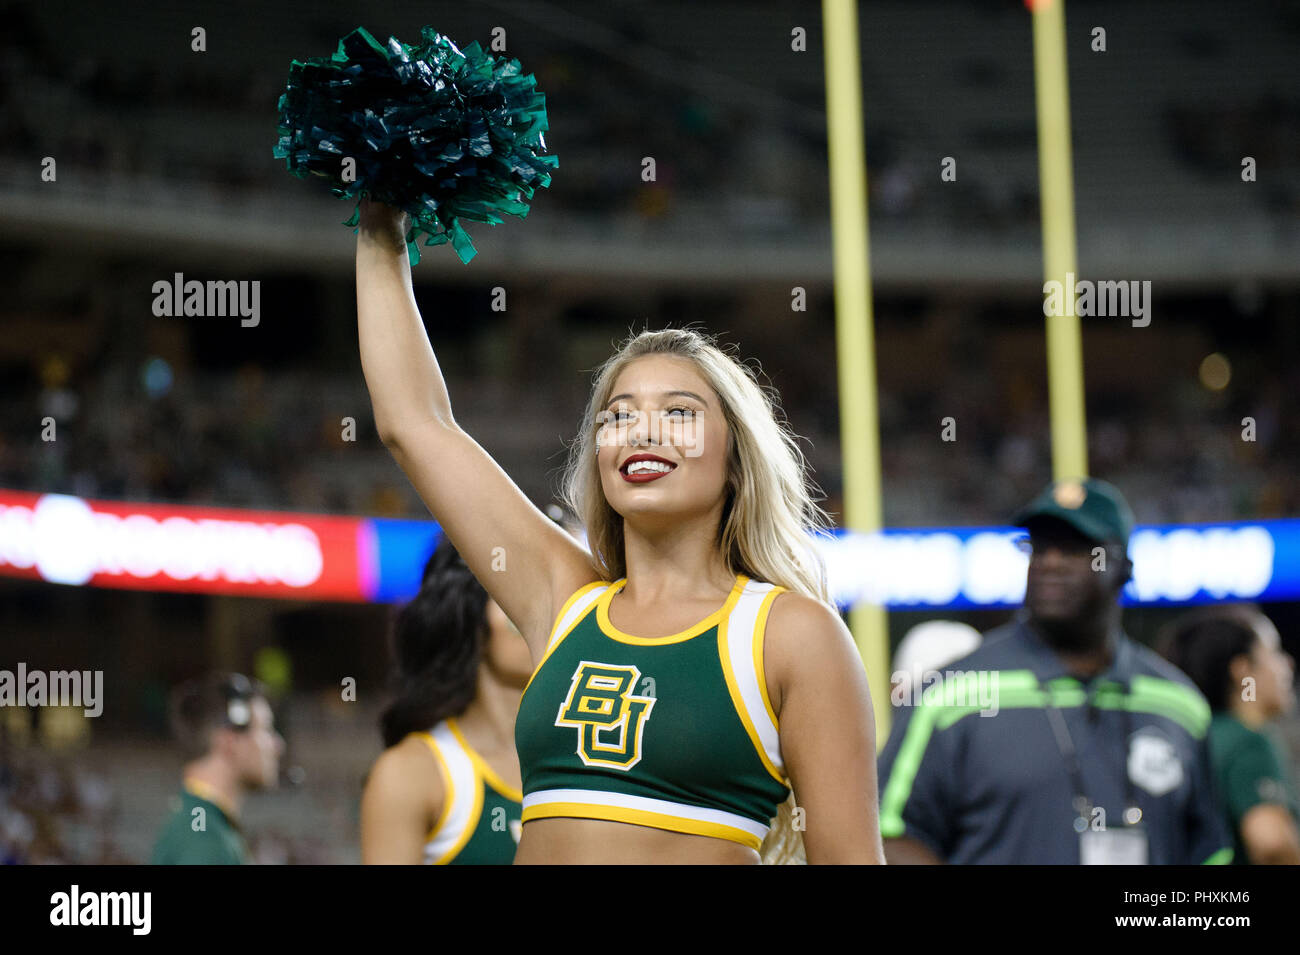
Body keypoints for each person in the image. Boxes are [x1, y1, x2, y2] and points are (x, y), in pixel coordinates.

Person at [355, 199, 882, 864]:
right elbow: (414, 422)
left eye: (679, 411)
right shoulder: (565, 599)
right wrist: (380, 220)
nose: (642, 429)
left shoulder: (791, 635)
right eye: (618, 414)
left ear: (736, 457)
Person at [877, 477, 1232, 864]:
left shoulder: (1178, 705)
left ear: (1123, 567)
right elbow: (891, 835)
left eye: (1075, 548)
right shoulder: (952, 695)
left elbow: (1210, 848)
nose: (1051, 562)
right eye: (1039, 548)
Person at [360, 534, 531, 864]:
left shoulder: (587, 761)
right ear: (468, 617)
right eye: (517, 600)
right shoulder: (408, 775)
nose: (545, 616)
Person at [1159, 605, 1300, 864]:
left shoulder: (1186, 735)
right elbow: (1272, 844)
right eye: (1274, 652)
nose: (1287, 663)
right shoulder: (1248, 741)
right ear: (1243, 670)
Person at [151, 673, 284, 865]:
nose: (277, 745)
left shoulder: (201, 825)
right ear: (230, 741)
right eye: (266, 729)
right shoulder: (205, 841)